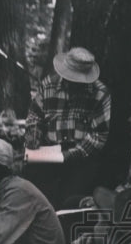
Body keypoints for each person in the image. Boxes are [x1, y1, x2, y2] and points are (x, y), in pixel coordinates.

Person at [24, 47, 111, 207]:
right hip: (48, 153)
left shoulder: (100, 93)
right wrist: (33, 137)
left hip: (81, 159)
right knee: (36, 196)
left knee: (69, 202)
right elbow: (34, 116)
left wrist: (69, 155)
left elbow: (99, 136)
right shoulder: (48, 85)